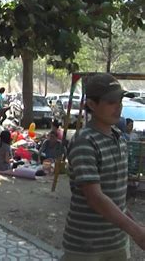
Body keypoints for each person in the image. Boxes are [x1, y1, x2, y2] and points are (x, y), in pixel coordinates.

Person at [61, 73, 145, 261]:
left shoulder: (118, 137)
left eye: (120, 100)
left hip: (117, 243)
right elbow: (95, 197)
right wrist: (137, 232)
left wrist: (135, 226)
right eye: (111, 102)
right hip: (87, 247)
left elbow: (117, 198)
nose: (119, 106)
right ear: (91, 104)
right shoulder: (84, 141)